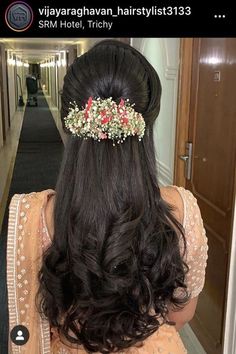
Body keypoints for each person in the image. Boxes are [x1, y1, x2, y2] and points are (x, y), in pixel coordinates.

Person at [7, 40, 208, 353]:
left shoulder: (35, 214)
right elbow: (181, 314)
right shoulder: (181, 208)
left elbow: (35, 317)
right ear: (146, 124)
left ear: (70, 121)